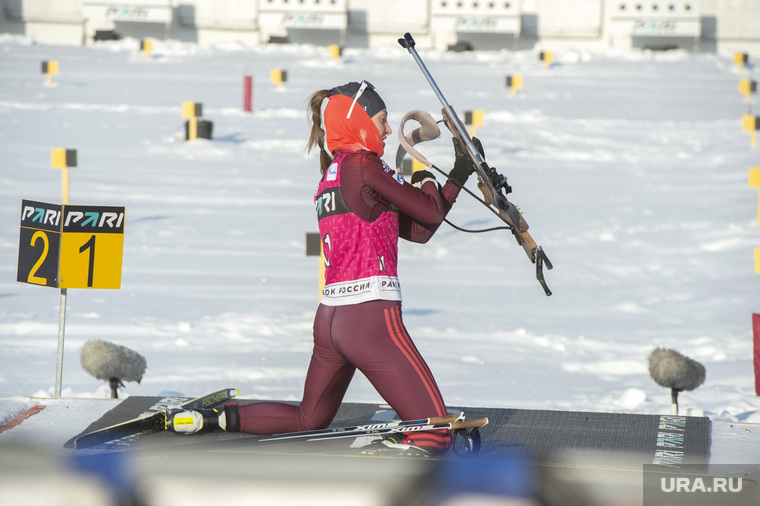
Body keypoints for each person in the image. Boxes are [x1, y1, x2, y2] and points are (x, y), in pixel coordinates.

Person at [168, 80, 475, 453]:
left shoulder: (335, 172)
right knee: (436, 433)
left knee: (308, 419)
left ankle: (213, 418)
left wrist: (458, 173)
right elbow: (428, 210)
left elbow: (421, 230)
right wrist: (424, 169)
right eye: (381, 120)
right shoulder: (364, 165)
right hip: (370, 319)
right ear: (358, 120)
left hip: (331, 320)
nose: (386, 129)